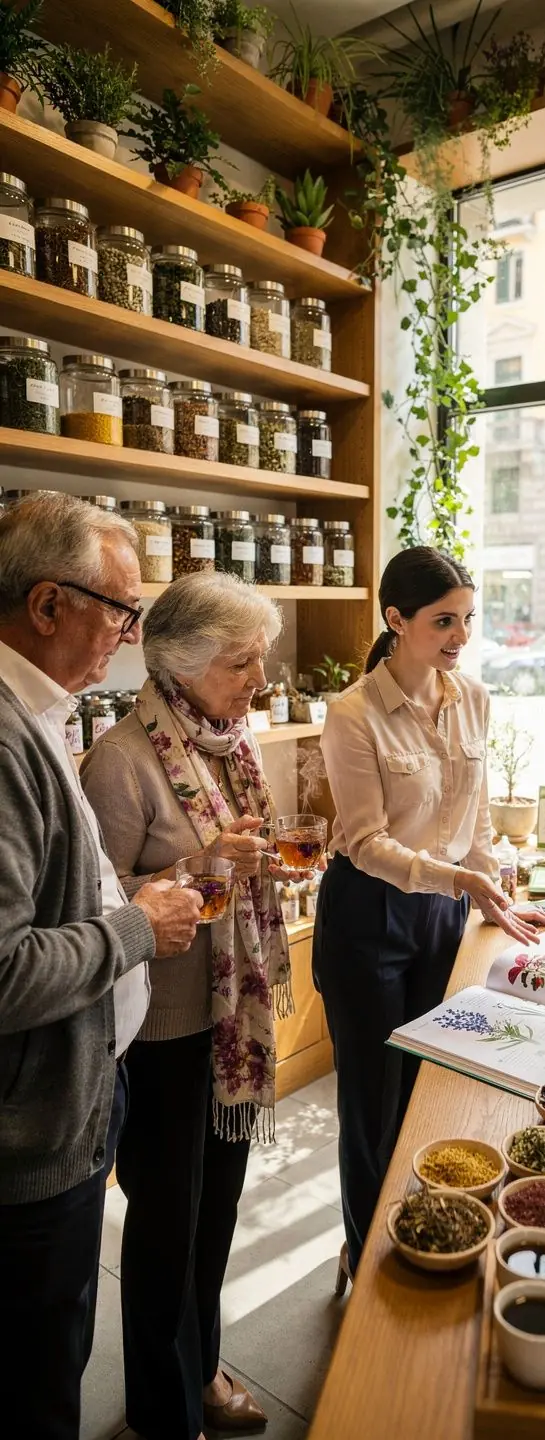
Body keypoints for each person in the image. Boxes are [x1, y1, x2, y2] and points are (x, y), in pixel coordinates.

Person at [82, 571, 303, 1440]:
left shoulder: (228, 742)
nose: (259, 680)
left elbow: (236, 861)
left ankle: (201, 1365)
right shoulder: (123, 762)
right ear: (181, 663)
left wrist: (254, 869)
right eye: (243, 663)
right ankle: (161, 1407)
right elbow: (101, 909)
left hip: (228, 1027)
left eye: (261, 660)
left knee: (215, 1213)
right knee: (167, 1226)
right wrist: (206, 864)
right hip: (163, 1033)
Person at [0, 492, 203, 1440]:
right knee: (38, 1378)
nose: (127, 638)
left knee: (62, 1348)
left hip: (77, 1096)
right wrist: (134, 928)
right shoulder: (6, 739)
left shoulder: (45, 711)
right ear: (47, 605)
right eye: (118, 611)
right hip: (28, 1143)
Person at [313, 546, 545, 1283]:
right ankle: (365, 1253)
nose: (461, 635)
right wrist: (463, 881)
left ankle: (425, 1233)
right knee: (373, 1104)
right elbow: (367, 844)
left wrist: (495, 887)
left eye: (469, 619)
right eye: (444, 620)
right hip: (370, 919)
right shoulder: (352, 715)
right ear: (395, 620)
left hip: (443, 916)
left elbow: (475, 822)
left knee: (432, 1084)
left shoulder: (472, 697)